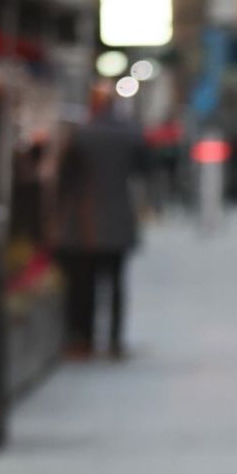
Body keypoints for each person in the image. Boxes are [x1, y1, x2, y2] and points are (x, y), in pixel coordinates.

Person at [54, 83, 144, 358]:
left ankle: (85, 339)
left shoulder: (81, 135)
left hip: (86, 220)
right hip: (119, 216)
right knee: (115, 282)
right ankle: (115, 340)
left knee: (86, 284)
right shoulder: (129, 134)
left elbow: (65, 179)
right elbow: (143, 168)